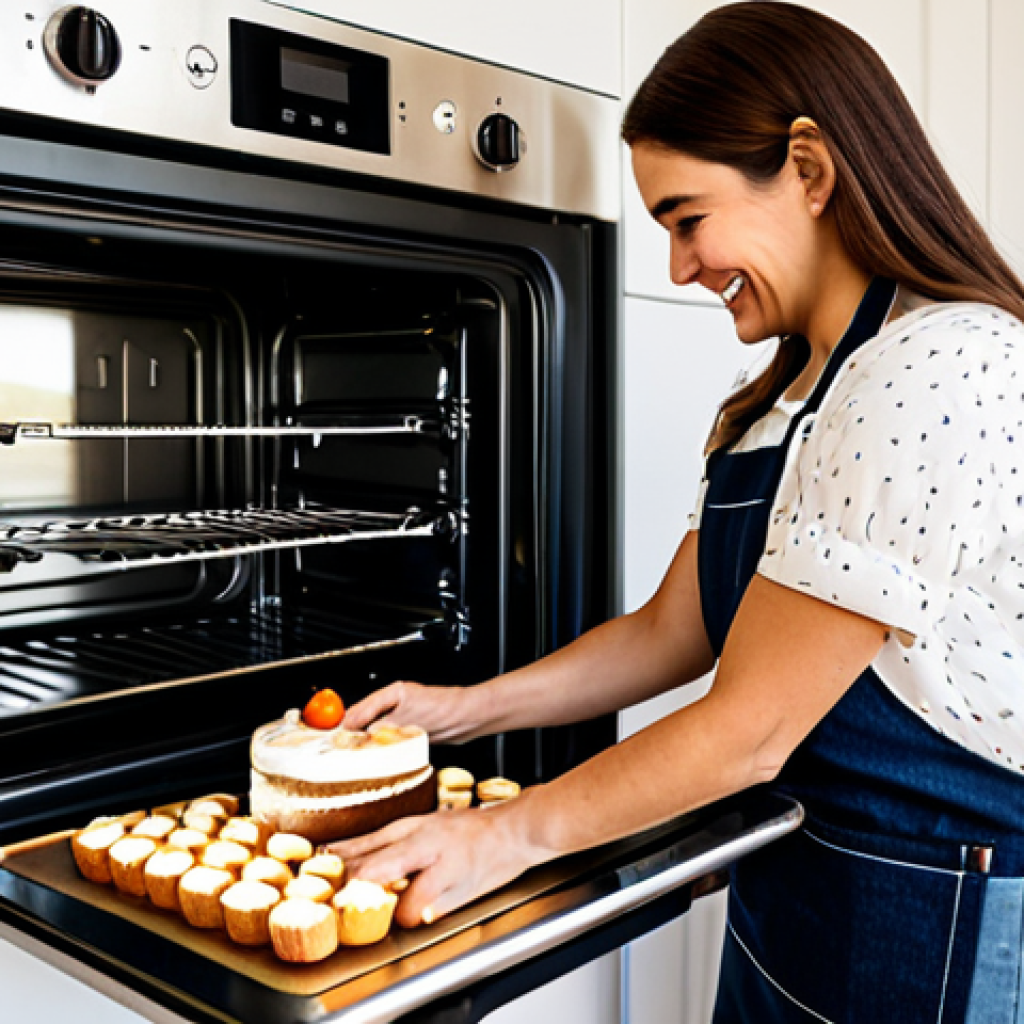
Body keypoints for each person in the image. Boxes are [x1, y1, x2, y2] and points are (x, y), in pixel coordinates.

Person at [329, 4, 1024, 1020]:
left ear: (811, 170)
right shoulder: (778, 397)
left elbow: (750, 729)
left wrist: (504, 836)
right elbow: (674, 629)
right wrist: (461, 708)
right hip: (795, 871)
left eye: (686, 217)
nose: (678, 267)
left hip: (933, 897)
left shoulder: (940, 363)